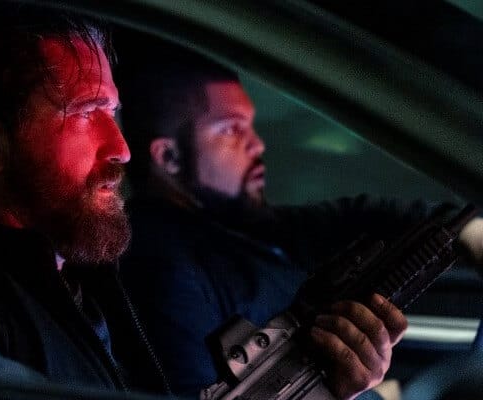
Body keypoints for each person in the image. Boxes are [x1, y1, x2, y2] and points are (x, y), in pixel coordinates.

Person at [0, 2, 417, 399]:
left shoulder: (79, 277)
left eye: (112, 112)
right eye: (84, 113)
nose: (119, 147)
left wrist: (322, 388)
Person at [115, 39, 483, 398]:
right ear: (169, 158)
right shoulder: (160, 264)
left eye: (251, 126)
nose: (257, 144)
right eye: (231, 129)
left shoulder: (243, 224)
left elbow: (361, 218)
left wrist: (470, 231)